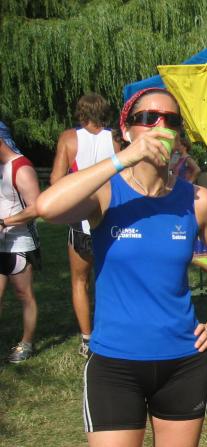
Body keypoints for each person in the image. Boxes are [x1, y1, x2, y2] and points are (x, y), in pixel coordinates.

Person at [37, 87, 207, 447]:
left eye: (171, 119)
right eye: (148, 117)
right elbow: (46, 206)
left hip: (183, 364)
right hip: (115, 368)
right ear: (126, 129)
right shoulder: (107, 192)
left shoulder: (196, 200)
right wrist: (121, 159)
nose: (160, 126)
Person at [51, 93, 120, 357]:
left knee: (80, 281)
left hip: (82, 220)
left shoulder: (69, 138)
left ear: (81, 112)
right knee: (112, 278)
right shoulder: (116, 139)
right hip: (112, 217)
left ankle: (87, 339)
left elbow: (56, 180)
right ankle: (113, 331)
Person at [0, 121, 41, 363]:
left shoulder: (21, 167)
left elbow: (37, 208)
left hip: (20, 242)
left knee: (23, 293)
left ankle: (26, 343)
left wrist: (4, 222)